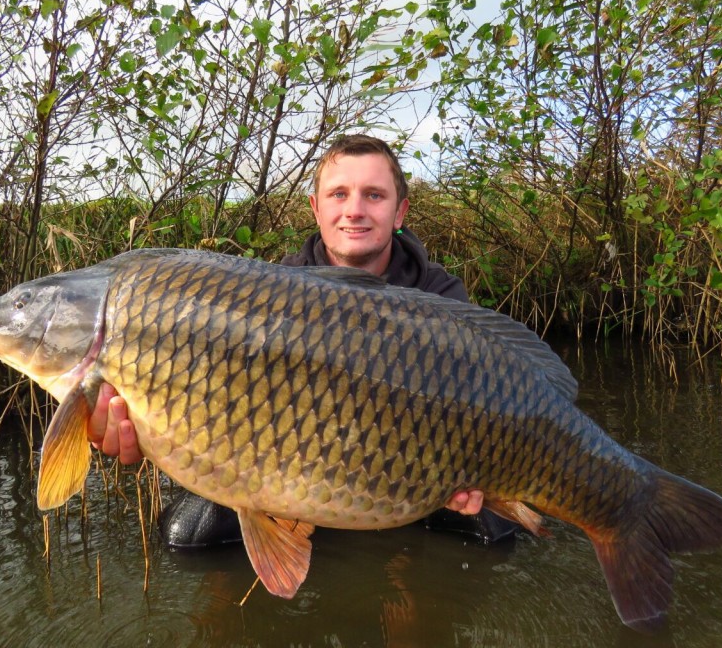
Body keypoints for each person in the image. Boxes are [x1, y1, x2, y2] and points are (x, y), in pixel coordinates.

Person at [89, 135, 517, 547]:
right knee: (188, 536)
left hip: (406, 469)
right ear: (315, 208)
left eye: (374, 195)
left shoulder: (440, 299)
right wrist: (149, 427)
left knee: (495, 526)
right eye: (338, 195)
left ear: (399, 212)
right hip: (293, 462)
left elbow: (488, 396)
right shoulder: (274, 291)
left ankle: (409, 586)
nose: (354, 210)